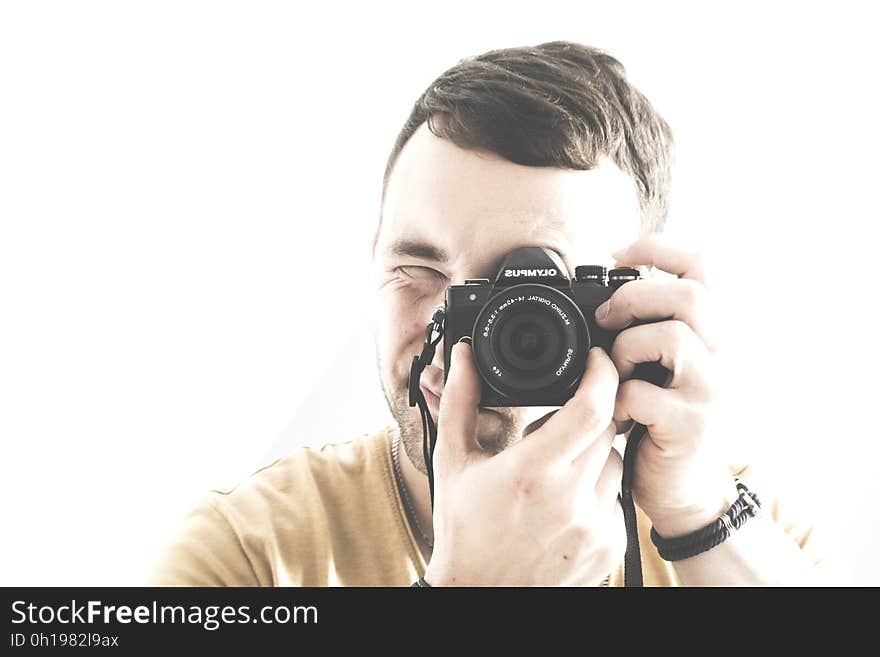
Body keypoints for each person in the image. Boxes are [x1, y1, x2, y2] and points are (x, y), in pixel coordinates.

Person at [148, 41, 840, 586]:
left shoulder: (746, 531)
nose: (456, 340)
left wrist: (696, 519)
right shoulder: (249, 556)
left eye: (525, 295)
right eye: (417, 270)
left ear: (635, 299)